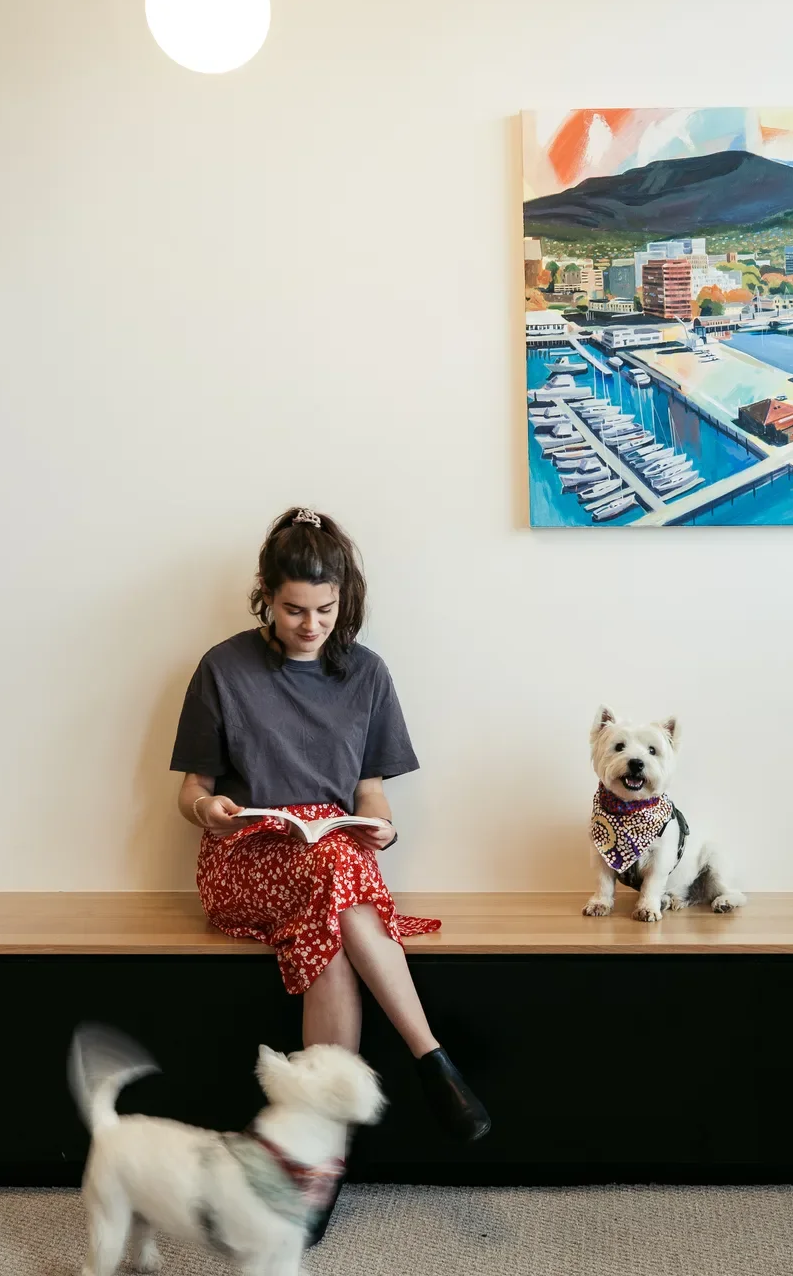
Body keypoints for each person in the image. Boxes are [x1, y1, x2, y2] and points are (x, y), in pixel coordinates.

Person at [170, 508, 490, 1230]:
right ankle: (431, 1058)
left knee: (333, 916)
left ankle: (314, 1163)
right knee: (333, 876)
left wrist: (380, 824)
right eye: (293, 610)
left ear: (346, 601)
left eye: (324, 610)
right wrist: (210, 811)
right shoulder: (224, 667)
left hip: (333, 864)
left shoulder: (367, 674)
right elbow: (190, 791)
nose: (310, 625)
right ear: (266, 597)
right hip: (245, 858)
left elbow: (371, 787)